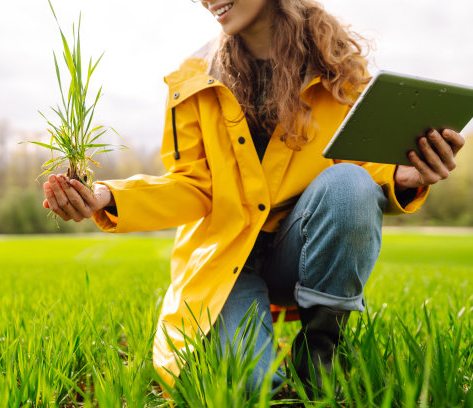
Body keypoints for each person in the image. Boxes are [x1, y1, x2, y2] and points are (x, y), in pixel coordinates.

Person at [42, 0, 465, 397]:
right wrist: (106, 197)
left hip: (298, 250)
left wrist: (403, 175)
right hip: (225, 260)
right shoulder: (193, 80)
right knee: (254, 387)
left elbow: (361, 169)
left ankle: (320, 351)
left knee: (351, 184)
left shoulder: (339, 72)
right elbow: (192, 185)